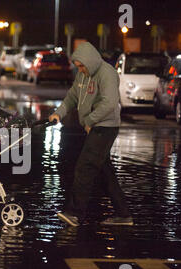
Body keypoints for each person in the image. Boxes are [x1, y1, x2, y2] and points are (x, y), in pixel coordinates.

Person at [49, 41, 132, 227]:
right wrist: (58, 113)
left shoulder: (106, 73)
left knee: (85, 167)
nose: (80, 70)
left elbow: (109, 103)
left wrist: (89, 120)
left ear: (90, 61)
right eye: (77, 66)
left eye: (81, 66)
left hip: (105, 127)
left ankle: (74, 213)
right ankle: (123, 214)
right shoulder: (82, 75)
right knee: (104, 172)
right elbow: (72, 97)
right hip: (95, 126)